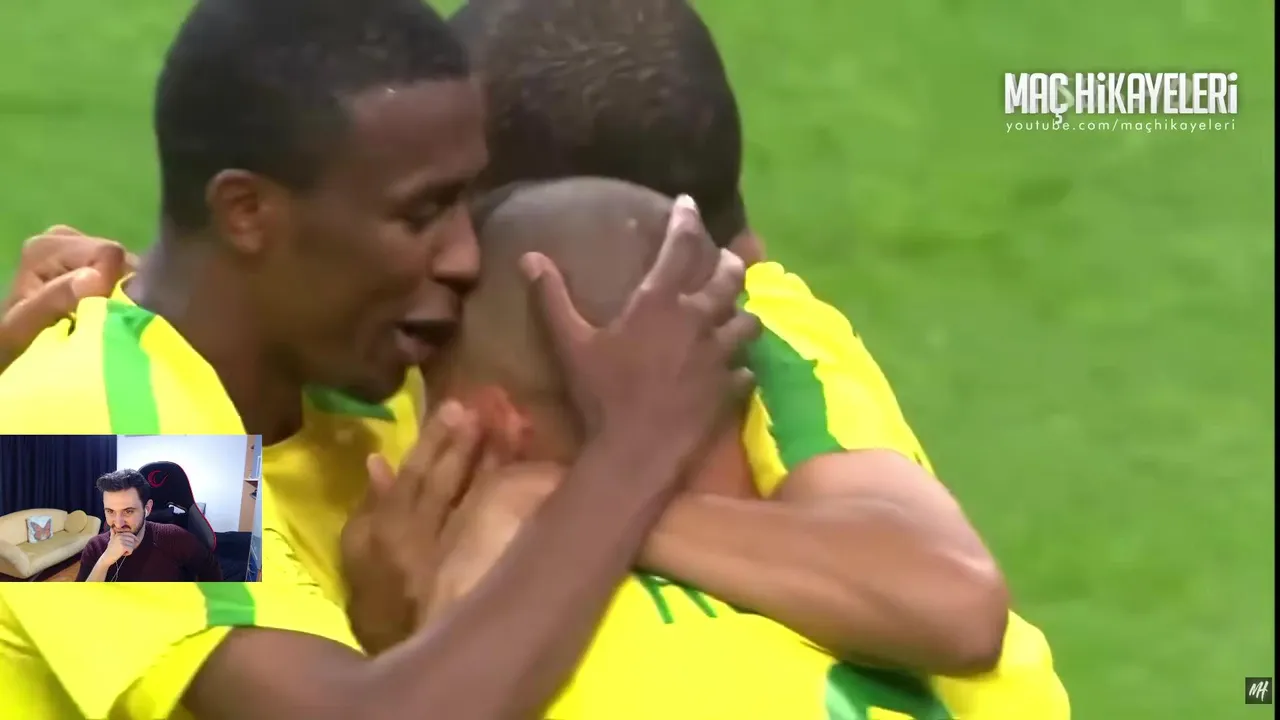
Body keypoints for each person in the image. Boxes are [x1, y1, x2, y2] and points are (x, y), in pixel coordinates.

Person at [0, 1, 756, 719]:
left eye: (466, 203)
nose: (465, 257)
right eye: (421, 213)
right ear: (248, 213)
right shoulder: (70, 426)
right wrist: (634, 450)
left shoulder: (375, 379)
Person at [446, 0, 1049, 678]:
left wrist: (570, 502)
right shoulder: (370, 350)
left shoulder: (748, 329)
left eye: (440, 204)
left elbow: (951, 597)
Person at [415, 176, 1071, 718]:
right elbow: (958, 603)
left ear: (496, 424)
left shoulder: (564, 681)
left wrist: (570, 505)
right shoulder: (1006, 676)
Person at [77, 469, 223, 582]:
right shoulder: (95, 547)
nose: (118, 523)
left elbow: (210, 567)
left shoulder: (174, 538)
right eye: (110, 511)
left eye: (128, 511)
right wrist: (104, 561)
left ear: (147, 508)